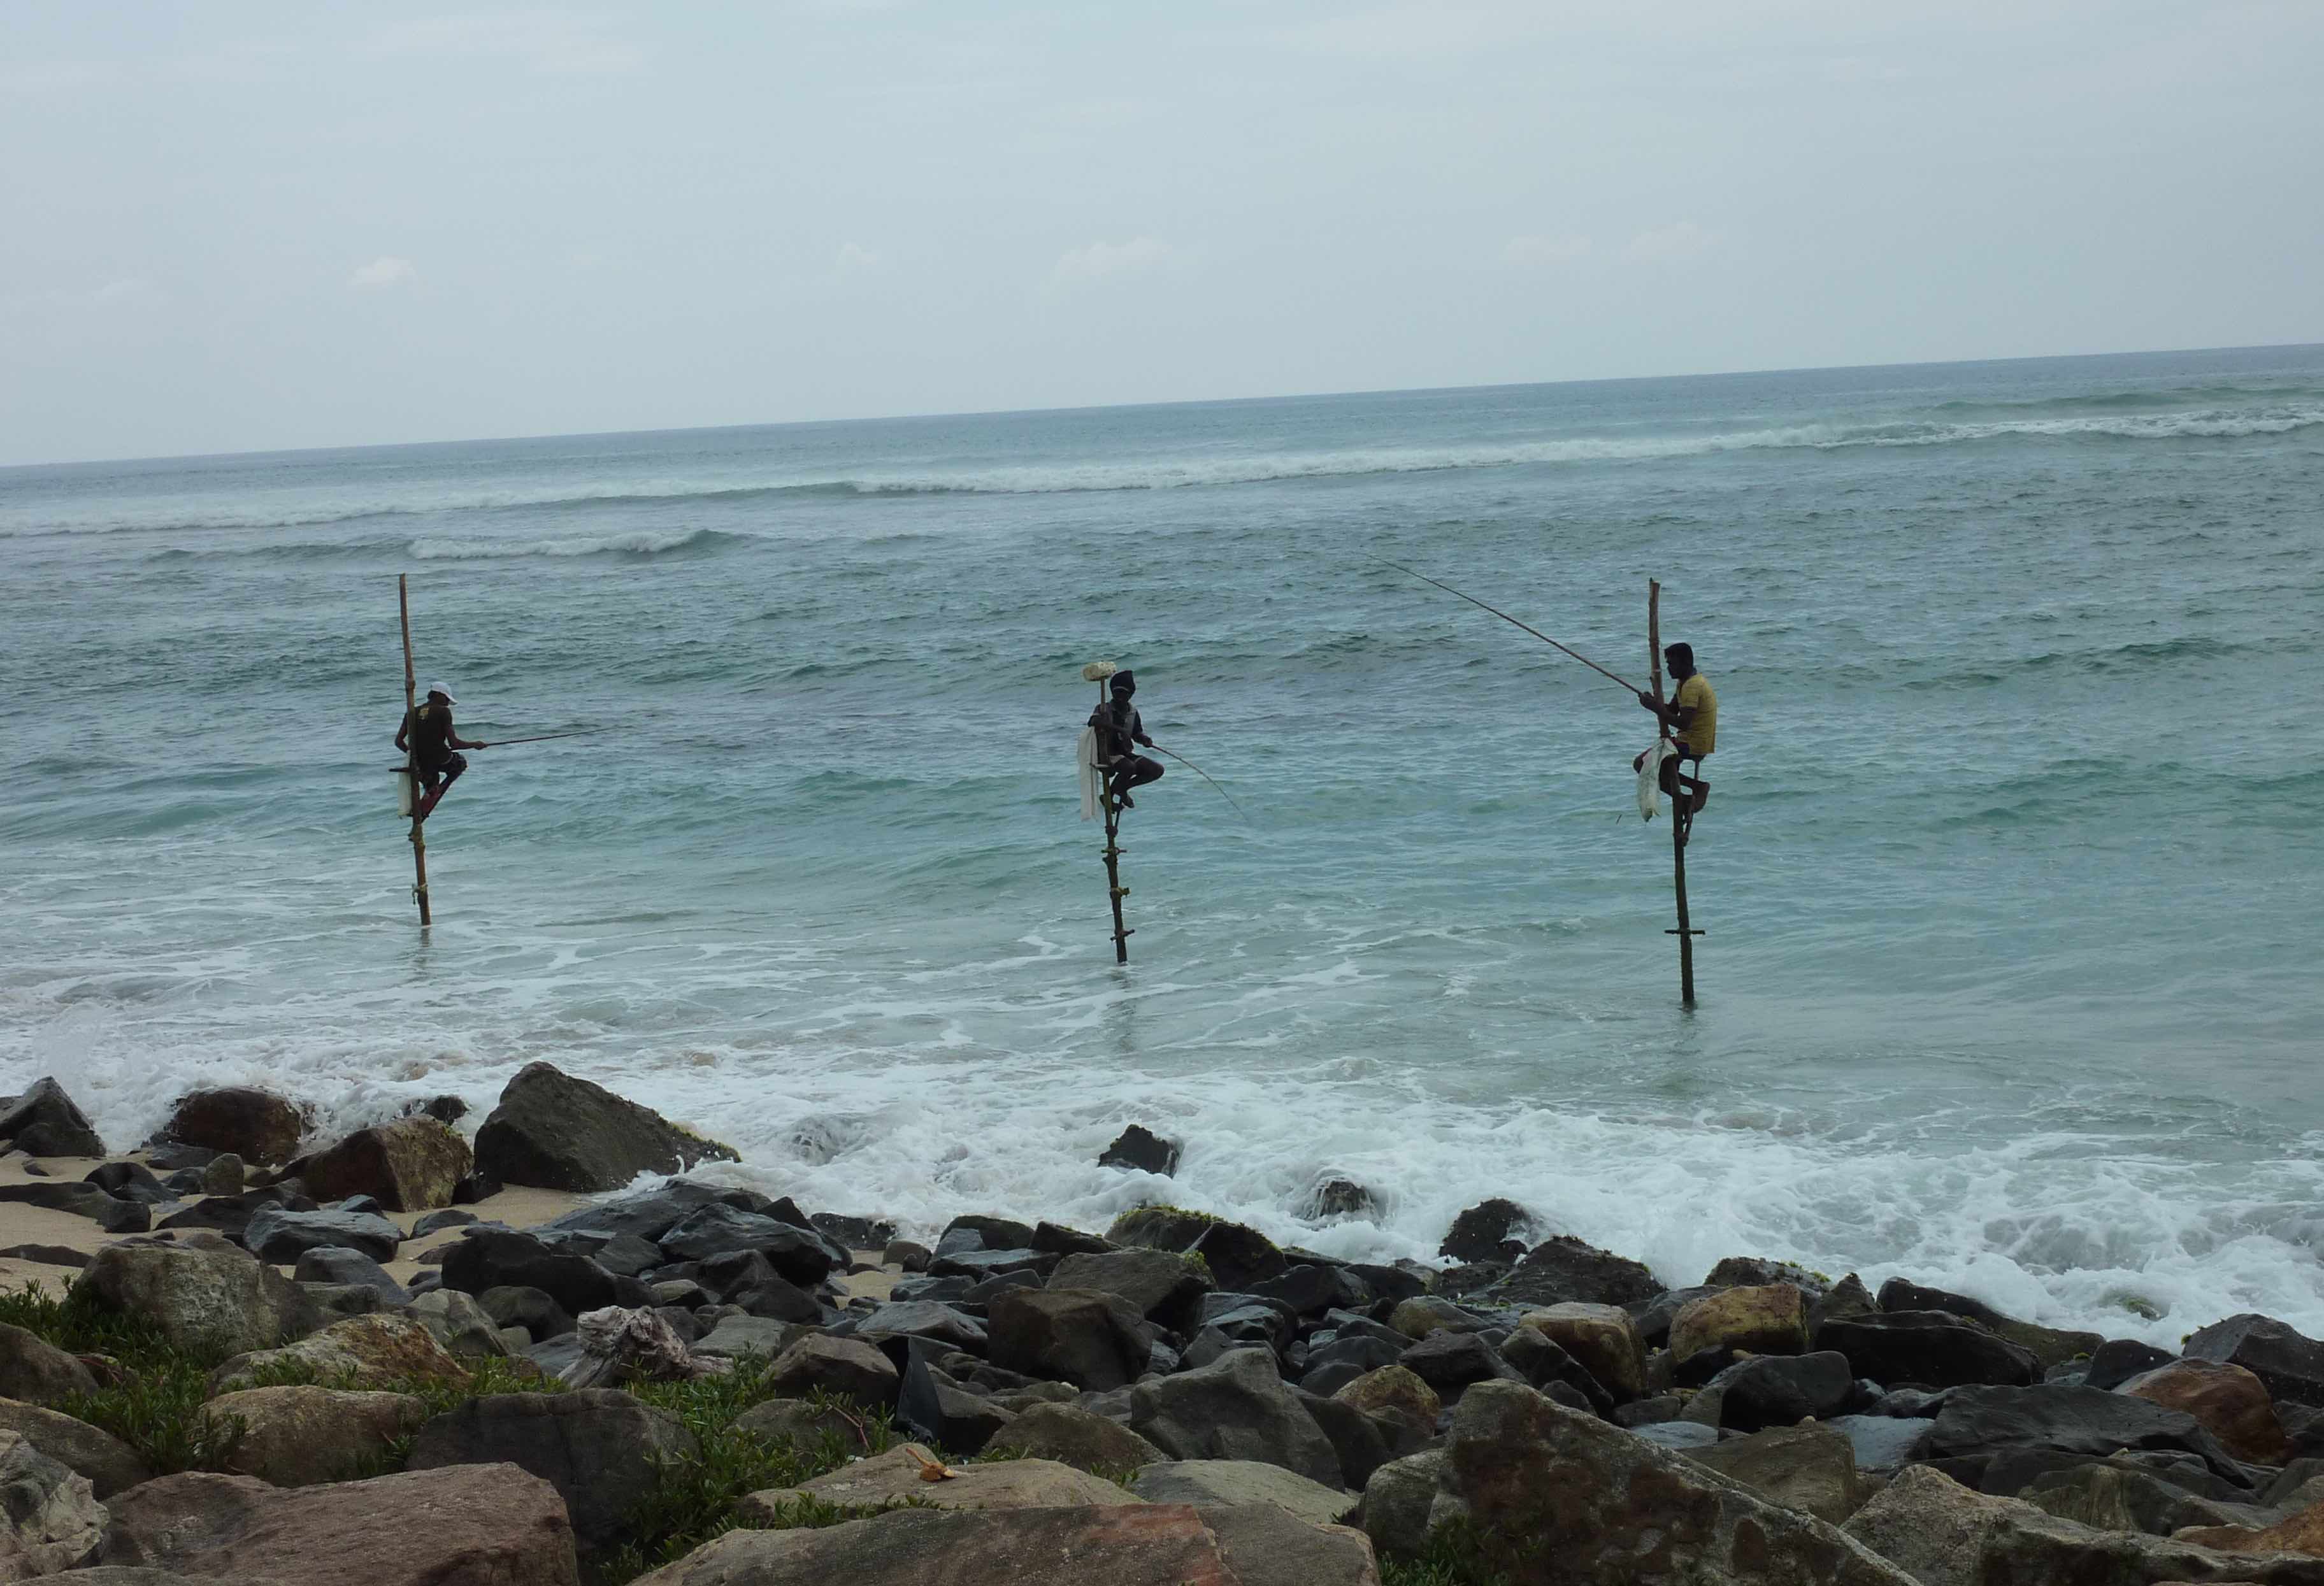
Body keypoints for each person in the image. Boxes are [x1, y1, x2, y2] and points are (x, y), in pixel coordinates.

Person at [1637, 643, 1716, 839]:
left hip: (1694, 743)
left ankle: (1697, 788)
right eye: (1667, 663)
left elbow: (1683, 722)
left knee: (1642, 764)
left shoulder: (1692, 686)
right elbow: (1671, 710)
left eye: (1672, 663)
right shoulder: (1684, 682)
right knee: (1647, 766)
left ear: (1685, 663)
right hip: (1687, 739)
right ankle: (1685, 798)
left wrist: (1654, 708)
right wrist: (1653, 703)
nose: (1669, 668)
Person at [395, 682, 487, 822]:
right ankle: (436, 791)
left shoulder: (411, 712)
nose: (448, 703)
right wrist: (475, 744)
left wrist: (413, 756)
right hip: (441, 758)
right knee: (460, 764)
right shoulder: (443, 711)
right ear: (438, 695)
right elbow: (454, 744)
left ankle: (431, 792)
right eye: (447, 699)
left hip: (422, 762)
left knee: (431, 778)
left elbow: (398, 742)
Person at [1089, 669, 1164, 810]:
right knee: (1129, 767)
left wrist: (1144, 739)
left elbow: (1136, 734)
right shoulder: (1104, 709)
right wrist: (1120, 730)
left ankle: (1120, 789)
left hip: (1125, 754)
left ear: (1131, 694)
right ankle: (1111, 795)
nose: (1119, 696)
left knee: (1156, 770)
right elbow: (1094, 722)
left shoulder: (1133, 712)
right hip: (1106, 754)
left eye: (1124, 693)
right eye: (1116, 692)